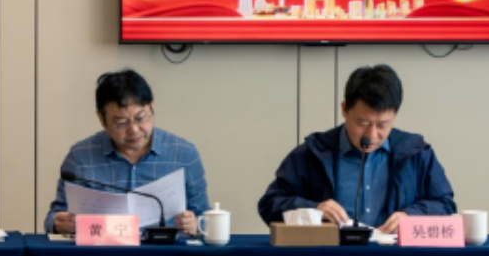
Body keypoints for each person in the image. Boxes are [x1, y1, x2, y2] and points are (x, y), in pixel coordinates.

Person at [258, 64, 456, 234]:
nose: (371, 135)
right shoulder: (313, 152)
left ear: (395, 115)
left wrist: (410, 216)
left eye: (382, 125)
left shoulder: (417, 153)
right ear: (344, 109)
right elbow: (270, 204)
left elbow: (445, 204)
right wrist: (314, 210)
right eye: (362, 123)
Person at [45, 69, 209, 235]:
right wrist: (60, 223)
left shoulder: (184, 155)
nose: (134, 130)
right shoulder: (80, 158)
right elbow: (53, 218)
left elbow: (206, 220)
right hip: (102, 249)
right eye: (122, 122)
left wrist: (196, 225)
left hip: (165, 250)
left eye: (140, 118)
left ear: (152, 108)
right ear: (102, 119)